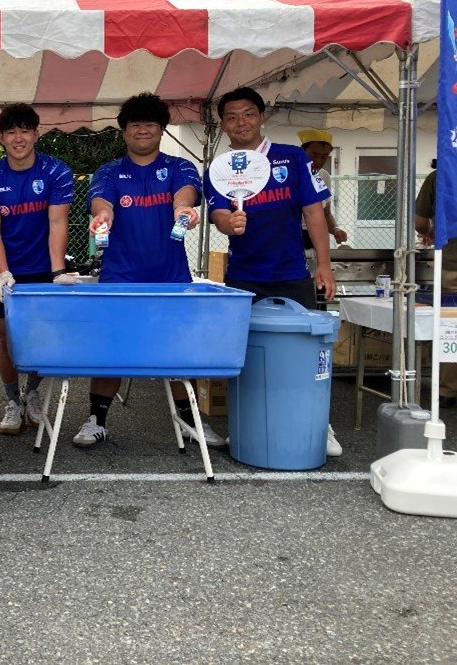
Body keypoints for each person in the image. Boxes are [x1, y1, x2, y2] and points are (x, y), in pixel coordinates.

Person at [73, 93, 225, 448]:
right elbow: (102, 203)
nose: (142, 130)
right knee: (111, 350)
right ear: (124, 132)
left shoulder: (180, 167)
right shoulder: (109, 171)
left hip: (170, 279)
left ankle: (190, 421)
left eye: (150, 124)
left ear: (161, 129)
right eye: (135, 124)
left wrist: (182, 211)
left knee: (177, 350)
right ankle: (97, 419)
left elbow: (184, 196)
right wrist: (101, 218)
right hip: (119, 279)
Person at [207, 87, 341, 456]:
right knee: (247, 356)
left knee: (307, 353)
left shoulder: (291, 158)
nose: (241, 122)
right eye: (232, 117)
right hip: (243, 277)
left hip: (292, 273)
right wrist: (227, 223)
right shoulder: (219, 169)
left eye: (248, 113)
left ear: (261, 116)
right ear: (223, 124)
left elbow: (314, 212)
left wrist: (324, 266)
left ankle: (319, 425)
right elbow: (217, 213)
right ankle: (248, 423)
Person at [0, 103, 76, 435]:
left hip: (43, 269)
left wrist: (57, 271)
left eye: (25, 131)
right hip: (4, 270)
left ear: (36, 134)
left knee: (41, 337)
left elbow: (57, 222)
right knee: (5, 338)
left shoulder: (56, 171)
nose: (18, 138)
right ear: (1, 138)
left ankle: (31, 393)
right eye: (11, 132)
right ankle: (11, 402)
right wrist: (4, 274)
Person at [415, 159, 457, 408]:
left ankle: (448, 390)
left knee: (451, 327)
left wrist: (431, 231)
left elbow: (420, 221)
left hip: (451, 267)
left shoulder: (439, 177)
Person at [297, 129, 348, 249]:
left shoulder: (324, 176)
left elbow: (327, 213)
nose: (319, 161)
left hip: (317, 234)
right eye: (314, 155)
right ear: (302, 151)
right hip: (292, 234)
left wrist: (336, 230)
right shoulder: (291, 174)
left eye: (325, 157)